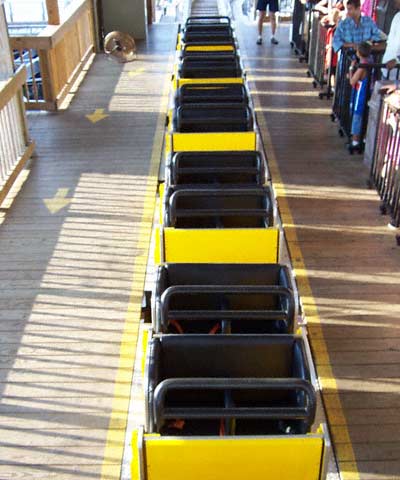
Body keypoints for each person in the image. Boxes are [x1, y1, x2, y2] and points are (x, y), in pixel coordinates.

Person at [348, 41, 372, 149]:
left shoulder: (362, 66)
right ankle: (362, 138)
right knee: (362, 116)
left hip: (360, 94)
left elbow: (353, 81)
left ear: (358, 52)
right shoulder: (369, 63)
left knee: (357, 116)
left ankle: (355, 141)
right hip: (364, 93)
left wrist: (351, 69)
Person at [382, 0, 400, 79]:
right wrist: (370, 47)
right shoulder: (397, 16)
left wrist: (397, 61)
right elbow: (389, 43)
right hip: (386, 71)